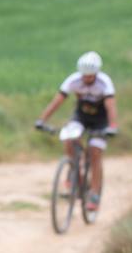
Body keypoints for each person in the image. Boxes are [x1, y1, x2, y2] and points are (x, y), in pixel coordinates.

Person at [35, 51, 119, 216]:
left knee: (95, 153)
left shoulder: (105, 83)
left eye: (90, 76)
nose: (86, 79)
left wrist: (112, 126)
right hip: (80, 117)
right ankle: (74, 175)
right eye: (84, 76)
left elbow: (110, 106)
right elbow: (57, 101)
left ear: (96, 73)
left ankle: (94, 194)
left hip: (100, 121)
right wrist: (41, 120)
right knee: (69, 139)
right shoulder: (73, 80)